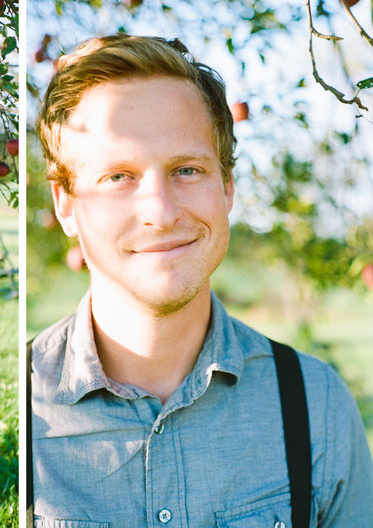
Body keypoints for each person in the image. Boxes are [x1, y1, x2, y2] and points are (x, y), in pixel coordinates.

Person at [29, 34, 373, 527]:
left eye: (186, 170)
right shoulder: (21, 412)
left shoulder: (315, 405)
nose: (162, 214)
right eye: (118, 177)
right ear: (65, 204)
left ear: (227, 187)